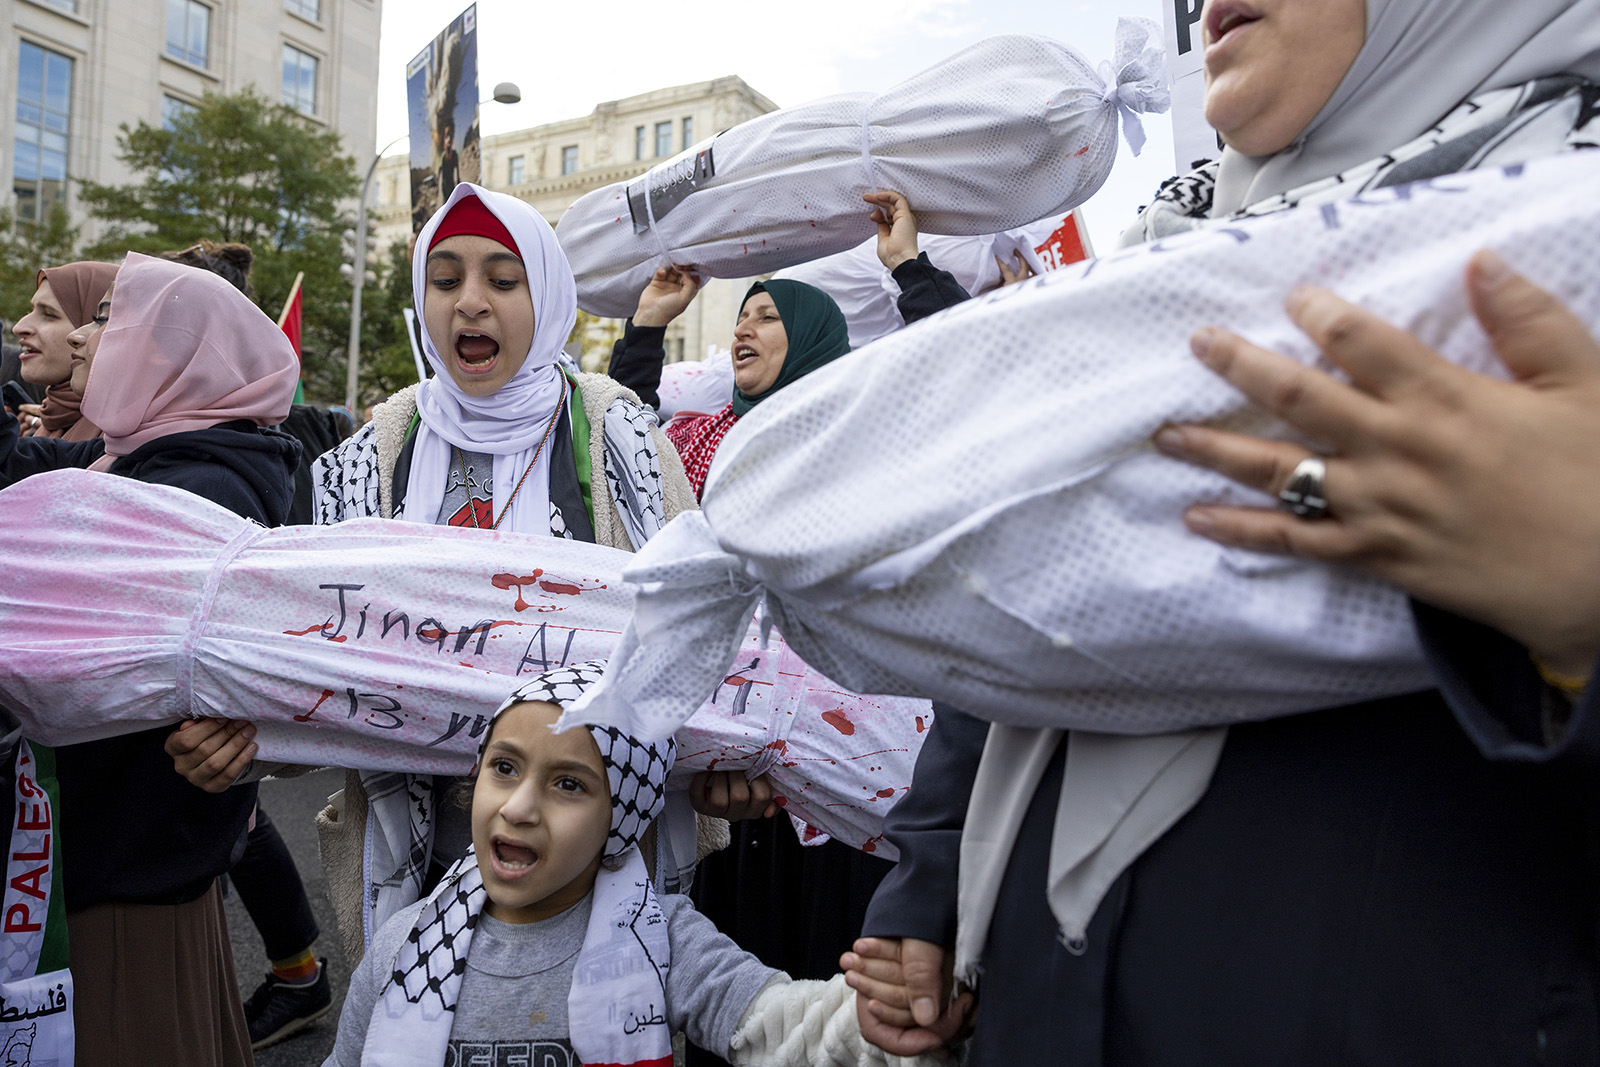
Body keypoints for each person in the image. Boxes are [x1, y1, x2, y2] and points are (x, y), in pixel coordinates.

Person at [846, 1, 1600, 1063]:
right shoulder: (1157, 266)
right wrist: (929, 885)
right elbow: (1020, 601)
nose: (1204, 4)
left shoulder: (1569, 238)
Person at [165, 182, 698, 967]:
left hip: (603, 872)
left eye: (501, 280)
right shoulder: (369, 459)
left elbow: (700, 636)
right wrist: (245, 737)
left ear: (546, 294)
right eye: (444, 280)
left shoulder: (625, 442)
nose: (469, 304)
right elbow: (313, 655)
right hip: (419, 870)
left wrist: (729, 769)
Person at [321, 663, 939, 1067]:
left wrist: (891, 1013)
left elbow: (785, 1028)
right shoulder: (404, 944)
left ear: (620, 818)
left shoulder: (659, 934)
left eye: (568, 785)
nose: (520, 806)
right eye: (503, 767)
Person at [0, 253, 301, 1067]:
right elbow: (26, 474)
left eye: (107, 321)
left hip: (129, 863)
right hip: (124, 845)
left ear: (171, 356)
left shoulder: (195, 485)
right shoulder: (142, 460)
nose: (89, 340)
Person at [8, 260, 119, 440]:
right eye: (32, 310)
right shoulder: (48, 423)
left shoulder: (121, 439)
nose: (19, 327)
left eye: (49, 315)